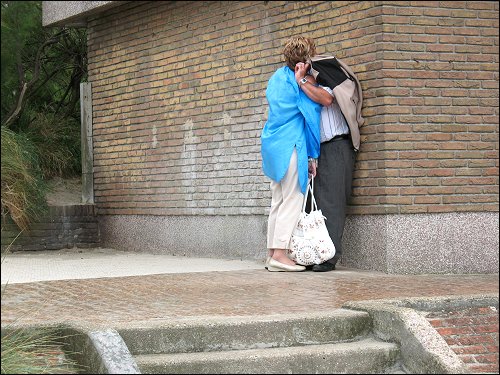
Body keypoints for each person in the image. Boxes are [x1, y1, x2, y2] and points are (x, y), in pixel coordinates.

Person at [297, 46, 365, 272]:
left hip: (337, 145)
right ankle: (313, 252)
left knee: (332, 203)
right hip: (318, 150)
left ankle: (329, 257)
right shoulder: (308, 85)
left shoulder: (325, 78)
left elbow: (326, 99)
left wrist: (303, 82)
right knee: (312, 202)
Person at [260, 36, 322, 272]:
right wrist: (312, 155)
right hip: (291, 145)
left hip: (272, 145)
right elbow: (311, 118)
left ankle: (271, 254)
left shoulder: (276, 78)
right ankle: (280, 254)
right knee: (294, 197)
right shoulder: (301, 83)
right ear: (305, 60)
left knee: (278, 199)